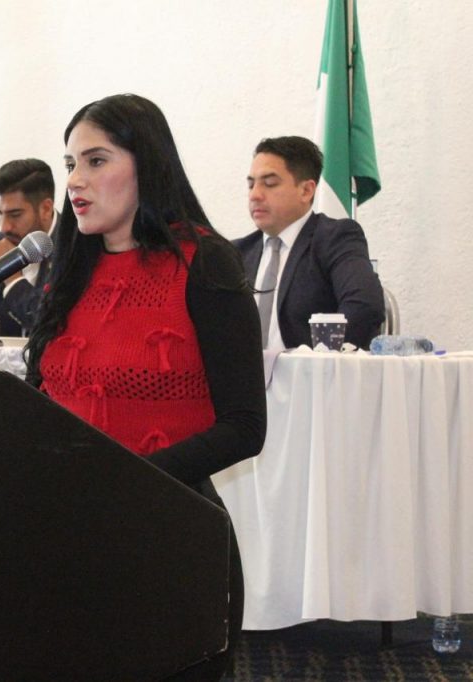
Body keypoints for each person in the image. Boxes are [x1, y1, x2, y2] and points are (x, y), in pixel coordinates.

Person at [25, 94, 266, 679]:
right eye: (70, 164)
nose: (75, 181)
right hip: (69, 538)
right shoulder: (69, 270)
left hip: (168, 537)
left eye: (96, 161)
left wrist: (127, 481)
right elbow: (40, 400)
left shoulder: (205, 264)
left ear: (147, 164)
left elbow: (244, 426)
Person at [235, 136, 385, 350]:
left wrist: (320, 361)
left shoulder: (335, 238)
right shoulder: (235, 253)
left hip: (311, 369)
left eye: (269, 183)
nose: (255, 195)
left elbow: (364, 305)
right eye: (251, 185)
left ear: (306, 191)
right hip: (243, 371)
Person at [0, 159, 57, 336]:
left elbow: (50, 323)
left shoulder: (73, 247)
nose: (4, 227)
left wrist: (13, 280)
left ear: (45, 209)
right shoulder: (4, 241)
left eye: (15, 215)